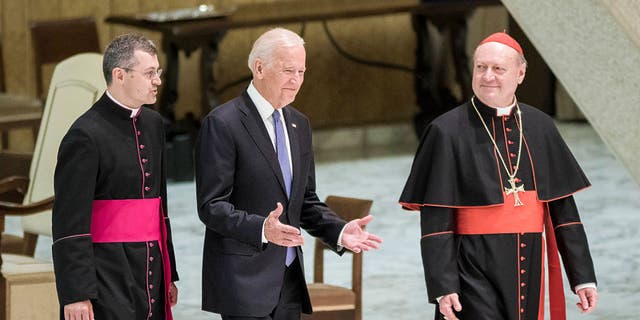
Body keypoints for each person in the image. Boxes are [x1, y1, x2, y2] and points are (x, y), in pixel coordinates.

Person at [399, 32, 598, 320]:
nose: (487, 76)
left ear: (520, 73)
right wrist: (443, 286)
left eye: (498, 69)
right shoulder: (445, 131)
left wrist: (583, 278)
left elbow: (564, 212)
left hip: (528, 262)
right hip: (471, 265)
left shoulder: (540, 126)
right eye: (481, 67)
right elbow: (436, 219)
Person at [195, 27, 383, 320]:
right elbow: (211, 206)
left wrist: (340, 230)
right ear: (259, 68)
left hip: (289, 281)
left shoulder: (299, 124)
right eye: (287, 71)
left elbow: (305, 200)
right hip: (244, 281)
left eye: (301, 71)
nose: (296, 80)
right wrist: (262, 229)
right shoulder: (223, 124)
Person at [52, 33, 179, 320]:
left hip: (149, 266)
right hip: (106, 271)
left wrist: (169, 272)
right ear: (120, 75)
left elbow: (160, 208)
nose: (157, 80)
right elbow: (69, 222)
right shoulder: (84, 135)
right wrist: (76, 294)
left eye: (157, 72)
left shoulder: (154, 124)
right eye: (149, 73)